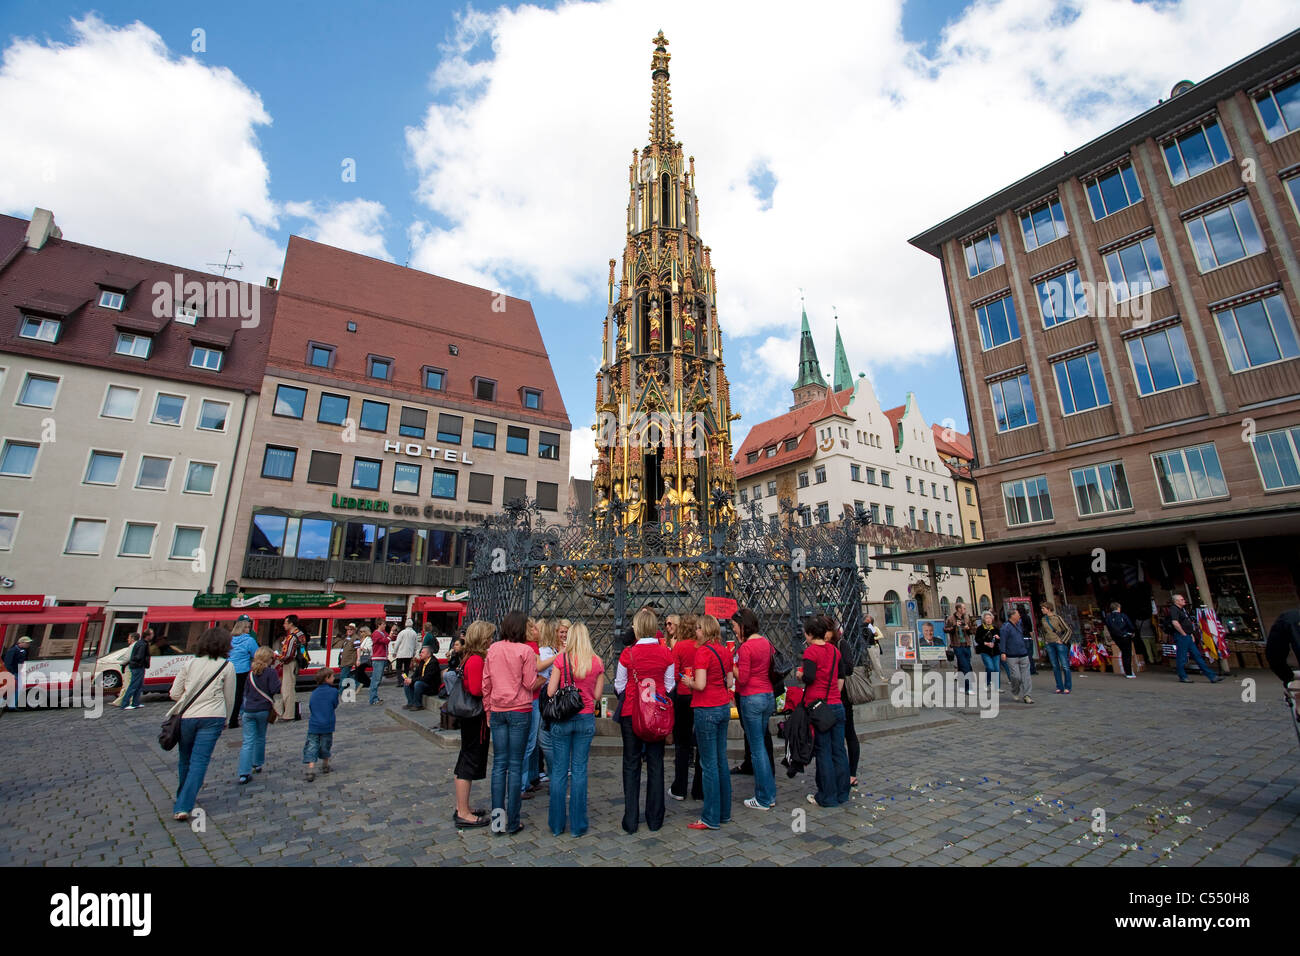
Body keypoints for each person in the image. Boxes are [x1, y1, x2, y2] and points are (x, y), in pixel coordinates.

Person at [616, 607, 676, 833]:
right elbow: (670, 686)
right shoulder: (665, 653)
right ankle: (655, 818)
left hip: (632, 714)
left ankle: (630, 819)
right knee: (655, 763)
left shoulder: (628, 654)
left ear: (638, 628)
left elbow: (619, 685)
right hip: (657, 716)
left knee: (631, 764)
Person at [168, 627, 235, 822]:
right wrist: (227, 719)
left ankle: (183, 797)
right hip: (213, 716)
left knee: (185, 759)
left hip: (188, 716)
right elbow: (229, 697)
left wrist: (189, 700)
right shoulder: (226, 666)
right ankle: (184, 804)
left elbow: (174, 693)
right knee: (199, 762)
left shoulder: (189, 664)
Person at [546, 622, 604, 836]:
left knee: (559, 772)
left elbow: (551, 691)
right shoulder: (597, 662)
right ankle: (578, 825)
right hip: (585, 718)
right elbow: (598, 696)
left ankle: (557, 824)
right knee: (579, 770)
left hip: (563, 719)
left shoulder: (561, 659)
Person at [483, 610, 538, 835]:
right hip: (520, 711)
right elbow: (530, 683)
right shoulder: (526, 651)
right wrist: (542, 680)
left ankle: (497, 822)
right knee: (515, 767)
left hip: (498, 711)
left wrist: (488, 711)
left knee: (498, 766)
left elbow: (486, 683)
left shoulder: (493, 649)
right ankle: (513, 822)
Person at [798, 614, 850, 809]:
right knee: (839, 751)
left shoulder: (811, 652)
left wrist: (800, 674)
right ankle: (842, 793)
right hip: (837, 705)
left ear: (811, 634)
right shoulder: (835, 651)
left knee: (824, 752)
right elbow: (837, 676)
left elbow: (810, 678)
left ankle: (827, 796)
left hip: (820, 708)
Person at [688, 614, 732, 830]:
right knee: (721, 760)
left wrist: (689, 681)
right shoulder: (725, 651)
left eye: (697, 628)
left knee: (708, 765)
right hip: (724, 707)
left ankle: (710, 817)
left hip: (706, 709)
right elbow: (731, 681)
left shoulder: (702, 652)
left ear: (705, 631)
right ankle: (724, 812)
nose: (695, 632)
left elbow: (701, 684)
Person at [732, 608, 776, 811]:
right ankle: (770, 793)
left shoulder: (746, 648)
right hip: (767, 696)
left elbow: (743, 678)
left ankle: (764, 798)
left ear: (743, 626)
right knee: (762, 748)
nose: (733, 630)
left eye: (734, 626)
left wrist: (730, 663)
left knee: (757, 750)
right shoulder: (766, 642)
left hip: (752, 698)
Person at [453, 621, 492, 829]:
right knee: (468, 761)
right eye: (489, 636)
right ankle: (463, 812)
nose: (491, 640)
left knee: (465, 759)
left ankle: (463, 806)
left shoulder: (470, 657)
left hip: (470, 716)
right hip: (475, 716)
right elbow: (477, 689)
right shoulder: (476, 660)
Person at [669, 612, 702, 801]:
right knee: (701, 744)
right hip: (700, 696)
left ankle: (679, 788)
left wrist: (683, 678)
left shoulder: (679, 646)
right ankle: (699, 789)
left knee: (682, 744)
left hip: (683, 697)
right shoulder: (702, 646)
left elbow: (673, 675)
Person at [238, 647, 281, 783]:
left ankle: (243, 773)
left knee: (247, 741)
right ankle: (257, 763)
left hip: (249, 710)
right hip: (263, 709)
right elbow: (275, 689)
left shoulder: (250, 673)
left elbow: (245, 692)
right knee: (260, 737)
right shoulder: (270, 672)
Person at [519, 618, 548, 798]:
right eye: (533, 627)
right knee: (529, 743)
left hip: (526, 699)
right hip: (532, 698)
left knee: (530, 743)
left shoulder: (523, 645)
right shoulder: (531, 647)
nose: (536, 630)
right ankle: (522, 784)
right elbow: (536, 672)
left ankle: (529, 778)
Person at [830, 625, 859, 788]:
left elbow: (849, 668)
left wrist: (831, 663)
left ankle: (852, 773)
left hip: (843, 697)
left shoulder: (842, 644)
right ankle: (839, 771)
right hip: (829, 697)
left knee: (849, 734)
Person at [1169, 593, 1221, 684]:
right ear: (1176, 601)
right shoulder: (1174, 609)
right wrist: (1183, 633)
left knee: (1197, 656)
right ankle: (1183, 676)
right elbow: (1175, 622)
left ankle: (1212, 676)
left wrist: (1191, 634)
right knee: (1182, 657)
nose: (1183, 600)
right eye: (1181, 599)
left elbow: (1187, 622)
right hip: (1182, 636)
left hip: (1187, 635)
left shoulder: (1182, 610)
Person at [304, 668, 339, 781]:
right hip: (327, 724)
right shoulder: (333, 692)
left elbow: (311, 706)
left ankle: (310, 769)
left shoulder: (314, 693)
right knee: (326, 745)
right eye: (333, 676)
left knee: (312, 746)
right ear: (327, 678)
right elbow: (335, 704)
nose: (334, 678)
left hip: (314, 724)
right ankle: (325, 764)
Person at [228, 615, 259, 728]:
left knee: (229, 694)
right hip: (242, 670)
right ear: (244, 628)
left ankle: (228, 717)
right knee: (239, 695)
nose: (249, 629)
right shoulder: (248, 640)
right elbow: (256, 654)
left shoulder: (230, 639)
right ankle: (235, 719)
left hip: (229, 669)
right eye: (248, 627)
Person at [1000, 609, 1034, 703]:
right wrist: (1003, 652)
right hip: (1012, 655)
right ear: (1013, 616)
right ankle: (1015, 691)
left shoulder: (1019, 624)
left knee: (1026, 676)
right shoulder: (1005, 627)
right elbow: (1003, 640)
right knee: (1016, 676)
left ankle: (1027, 695)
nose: (1019, 616)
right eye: (1018, 614)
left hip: (1023, 653)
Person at [275, 615, 304, 720]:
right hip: (296, 663)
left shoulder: (291, 637)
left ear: (291, 623)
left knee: (287, 689)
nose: (284, 625)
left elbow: (287, 655)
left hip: (290, 663)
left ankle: (288, 714)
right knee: (290, 688)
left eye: (285, 623)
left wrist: (277, 656)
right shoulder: (300, 634)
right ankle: (288, 712)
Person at [1041, 602, 1074, 694]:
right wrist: (1045, 640)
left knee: (1065, 666)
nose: (1042, 610)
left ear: (1049, 609)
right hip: (1049, 643)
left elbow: (1068, 630)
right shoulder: (1043, 619)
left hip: (1058, 643)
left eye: (1043, 608)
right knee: (1055, 666)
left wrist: (1062, 640)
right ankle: (1059, 686)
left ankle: (1068, 686)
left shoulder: (1057, 618)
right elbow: (1043, 631)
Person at [1104, 603, 1138, 679]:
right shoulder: (1123, 615)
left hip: (1116, 637)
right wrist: (1131, 632)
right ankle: (1128, 672)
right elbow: (1130, 625)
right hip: (1125, 636)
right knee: (1127, 654)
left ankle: (1128, 671)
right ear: (1118, 608)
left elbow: (1108, 627)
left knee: (1124, 652)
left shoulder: (1108, 617)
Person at [946, 601, 974, 692]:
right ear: (958, 609)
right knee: (966, 666)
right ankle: (968, 688)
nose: (965, 610)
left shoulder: (967, 618)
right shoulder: (951, 618)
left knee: (963, 665)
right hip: (957, 645)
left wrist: (968, 628)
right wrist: (954, 626)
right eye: (963, 608)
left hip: (966, 644)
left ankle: (962, 686)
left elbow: (973, 630)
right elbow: (946, 629)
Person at [403, 646, 441, 710]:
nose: (420, 654)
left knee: (417, 684)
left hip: (431, 686)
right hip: (423, 682)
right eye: (421, 652)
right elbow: (416, 674)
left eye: (422, 652)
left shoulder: (433, 663)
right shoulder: (422, 661)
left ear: (428, 654)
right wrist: (409, 679)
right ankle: (410, 703)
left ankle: (418, 704)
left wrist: (412, 680)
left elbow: (427, 678)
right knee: (407, 683)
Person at [120, 631, 149, 710]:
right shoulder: (136, 645)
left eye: (129, 638)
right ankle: (125, 704)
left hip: (135, 666)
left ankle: (135, 703)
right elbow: (128, 658)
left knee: (137, 685)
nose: (127, 639)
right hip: (136, 667)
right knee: (134, 685)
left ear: (132, 638)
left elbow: (128, 657)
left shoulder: (135, 645)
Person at [973, 611, 1001, 691]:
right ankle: (988, 682)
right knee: (990, 667)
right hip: (985, 651)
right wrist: (985, 643)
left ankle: (997, 687)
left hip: (995, 651)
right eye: (986, 618)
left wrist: (998, 638)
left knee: (997, 669)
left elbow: (999, 640)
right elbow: (977, 639)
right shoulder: (980, 629)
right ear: (983, 620)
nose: (988, 620)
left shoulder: (995, 628)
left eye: (990, 618)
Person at [368, 620, 392, 704]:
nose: (385, 626)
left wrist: (391, 634)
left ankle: (374, 697)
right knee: (376, 679)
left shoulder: (382, 633)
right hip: (378, 658)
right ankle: (373, 699)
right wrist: (390, 635)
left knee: (378, 679)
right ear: (379, 625)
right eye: (383, 624)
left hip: (382, 658)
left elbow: (388, 637)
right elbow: (386, 640)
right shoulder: (376, 634)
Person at [393, 618, 419, 684]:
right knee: (406, 669)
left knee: (398, 668)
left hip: (401, 653)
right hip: (409, 654)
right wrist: (414, 653)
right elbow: (416, 645)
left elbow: (397, 643)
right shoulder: (414, 633)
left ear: (405, 625)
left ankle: (400, 681)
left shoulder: (402, 633)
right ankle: (405, 679)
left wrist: (394, 652)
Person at [337, 623, 360, 690]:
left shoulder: (355, 638)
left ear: (354, 630)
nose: (349, 631)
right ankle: (357, 684)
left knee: (343, 676)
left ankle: (340, 690)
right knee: (348, 675)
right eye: (348, 629)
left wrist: (358, 659)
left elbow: (358, 649)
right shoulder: (347, 638)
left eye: (351, 629)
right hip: (343, 660)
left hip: (348, 660)